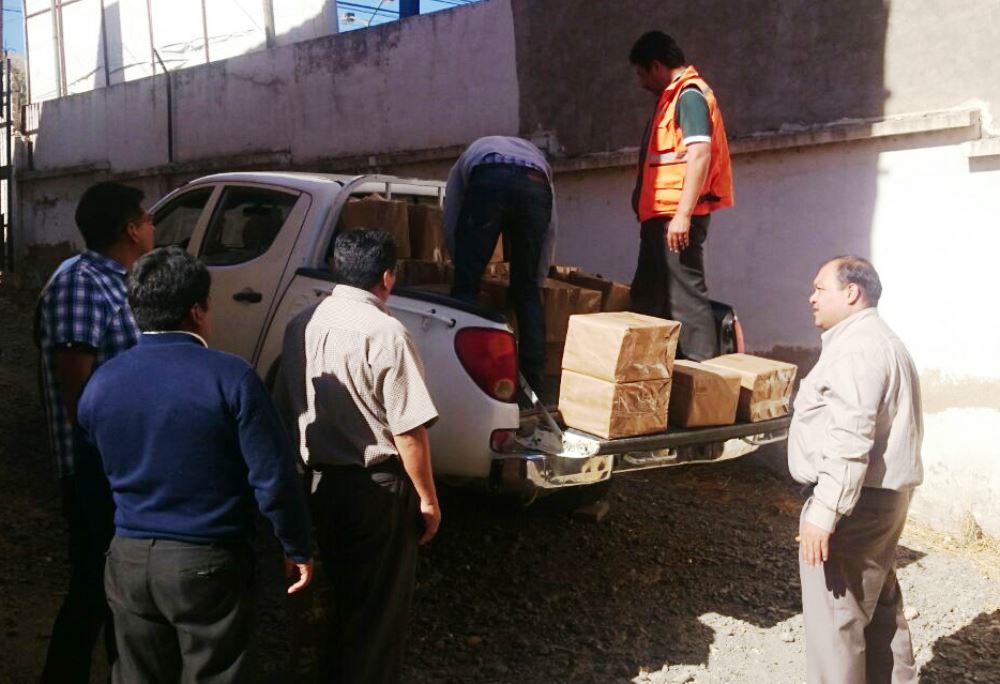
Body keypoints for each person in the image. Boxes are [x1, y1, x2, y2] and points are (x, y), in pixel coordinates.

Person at [76, 247, 313, 683]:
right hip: (207, 559)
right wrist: (295, 545)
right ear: (198, 311)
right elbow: (274, 478)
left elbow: (91, 475)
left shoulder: (101, 383)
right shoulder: (232, 378)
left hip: (128, 558)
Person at [274, 228, 440, 684]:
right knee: (377, 614)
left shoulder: (300, 323)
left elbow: (284, 409)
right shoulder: (387, 333)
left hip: (319, 483)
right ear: (387, 277)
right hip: (377, 490)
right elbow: (409, 432)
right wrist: (428, 499)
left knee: (339, 598)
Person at [36, 181, 154, 682]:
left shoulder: (120, 280)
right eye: (146, 217)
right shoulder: (81, 283)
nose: (152, 224)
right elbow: (78, 396)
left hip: (124, 467)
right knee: (94, 587)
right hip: (96, 470)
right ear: (131, 229)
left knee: (112, 592)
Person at [789, 256, 923, 683]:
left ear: (851, 293)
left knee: (836, 626)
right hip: (880, 499)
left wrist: (824, 511)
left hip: (856, 504)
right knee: (880, 612)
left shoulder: (859, 348)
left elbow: (851, 435)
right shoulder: (877, 340)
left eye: (819, 289)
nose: (811, 298)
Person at [628, 30, 734, 361]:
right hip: (662, 217)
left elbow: (699, 154)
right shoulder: (672, 99)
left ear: (657, 66)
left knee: (686, 300)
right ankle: (649, 373)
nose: (641, 82)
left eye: (642, 73)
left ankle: (702, 375)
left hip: (675, 218)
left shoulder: (689, 96)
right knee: (649, 298)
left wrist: (683, 216)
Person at [444, 135, 557, 394]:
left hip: (490, 178)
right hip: (535, 185)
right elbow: (551, 229)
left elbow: (452, 216)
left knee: (466, 289)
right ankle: (534, 386)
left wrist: (461, 265)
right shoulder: (540, 164)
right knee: (527, 292)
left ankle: (463, 375)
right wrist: (537, 280)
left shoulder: (465, 160)